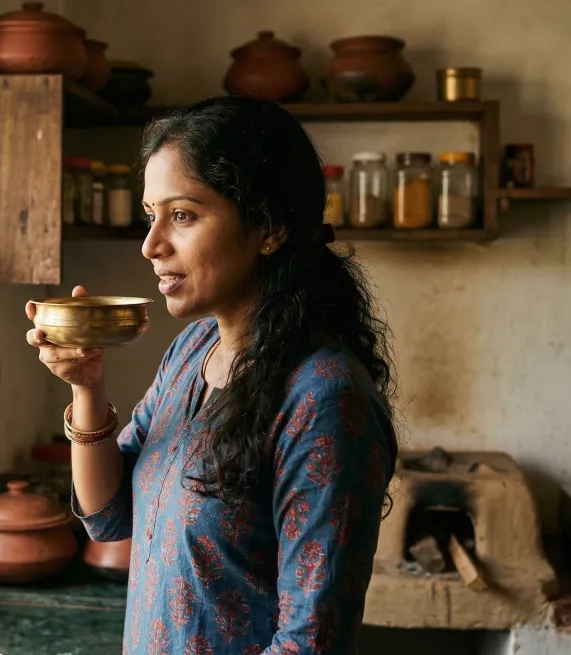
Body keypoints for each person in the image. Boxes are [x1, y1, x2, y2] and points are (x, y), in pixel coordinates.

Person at [26, 96, 398, 654]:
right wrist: (86, 384)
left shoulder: (324, 398)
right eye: (152, 216)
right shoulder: (193, 351)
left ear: (267, 227)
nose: (151, 246)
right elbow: (107, 515)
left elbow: (310, 642)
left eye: (183, 215)